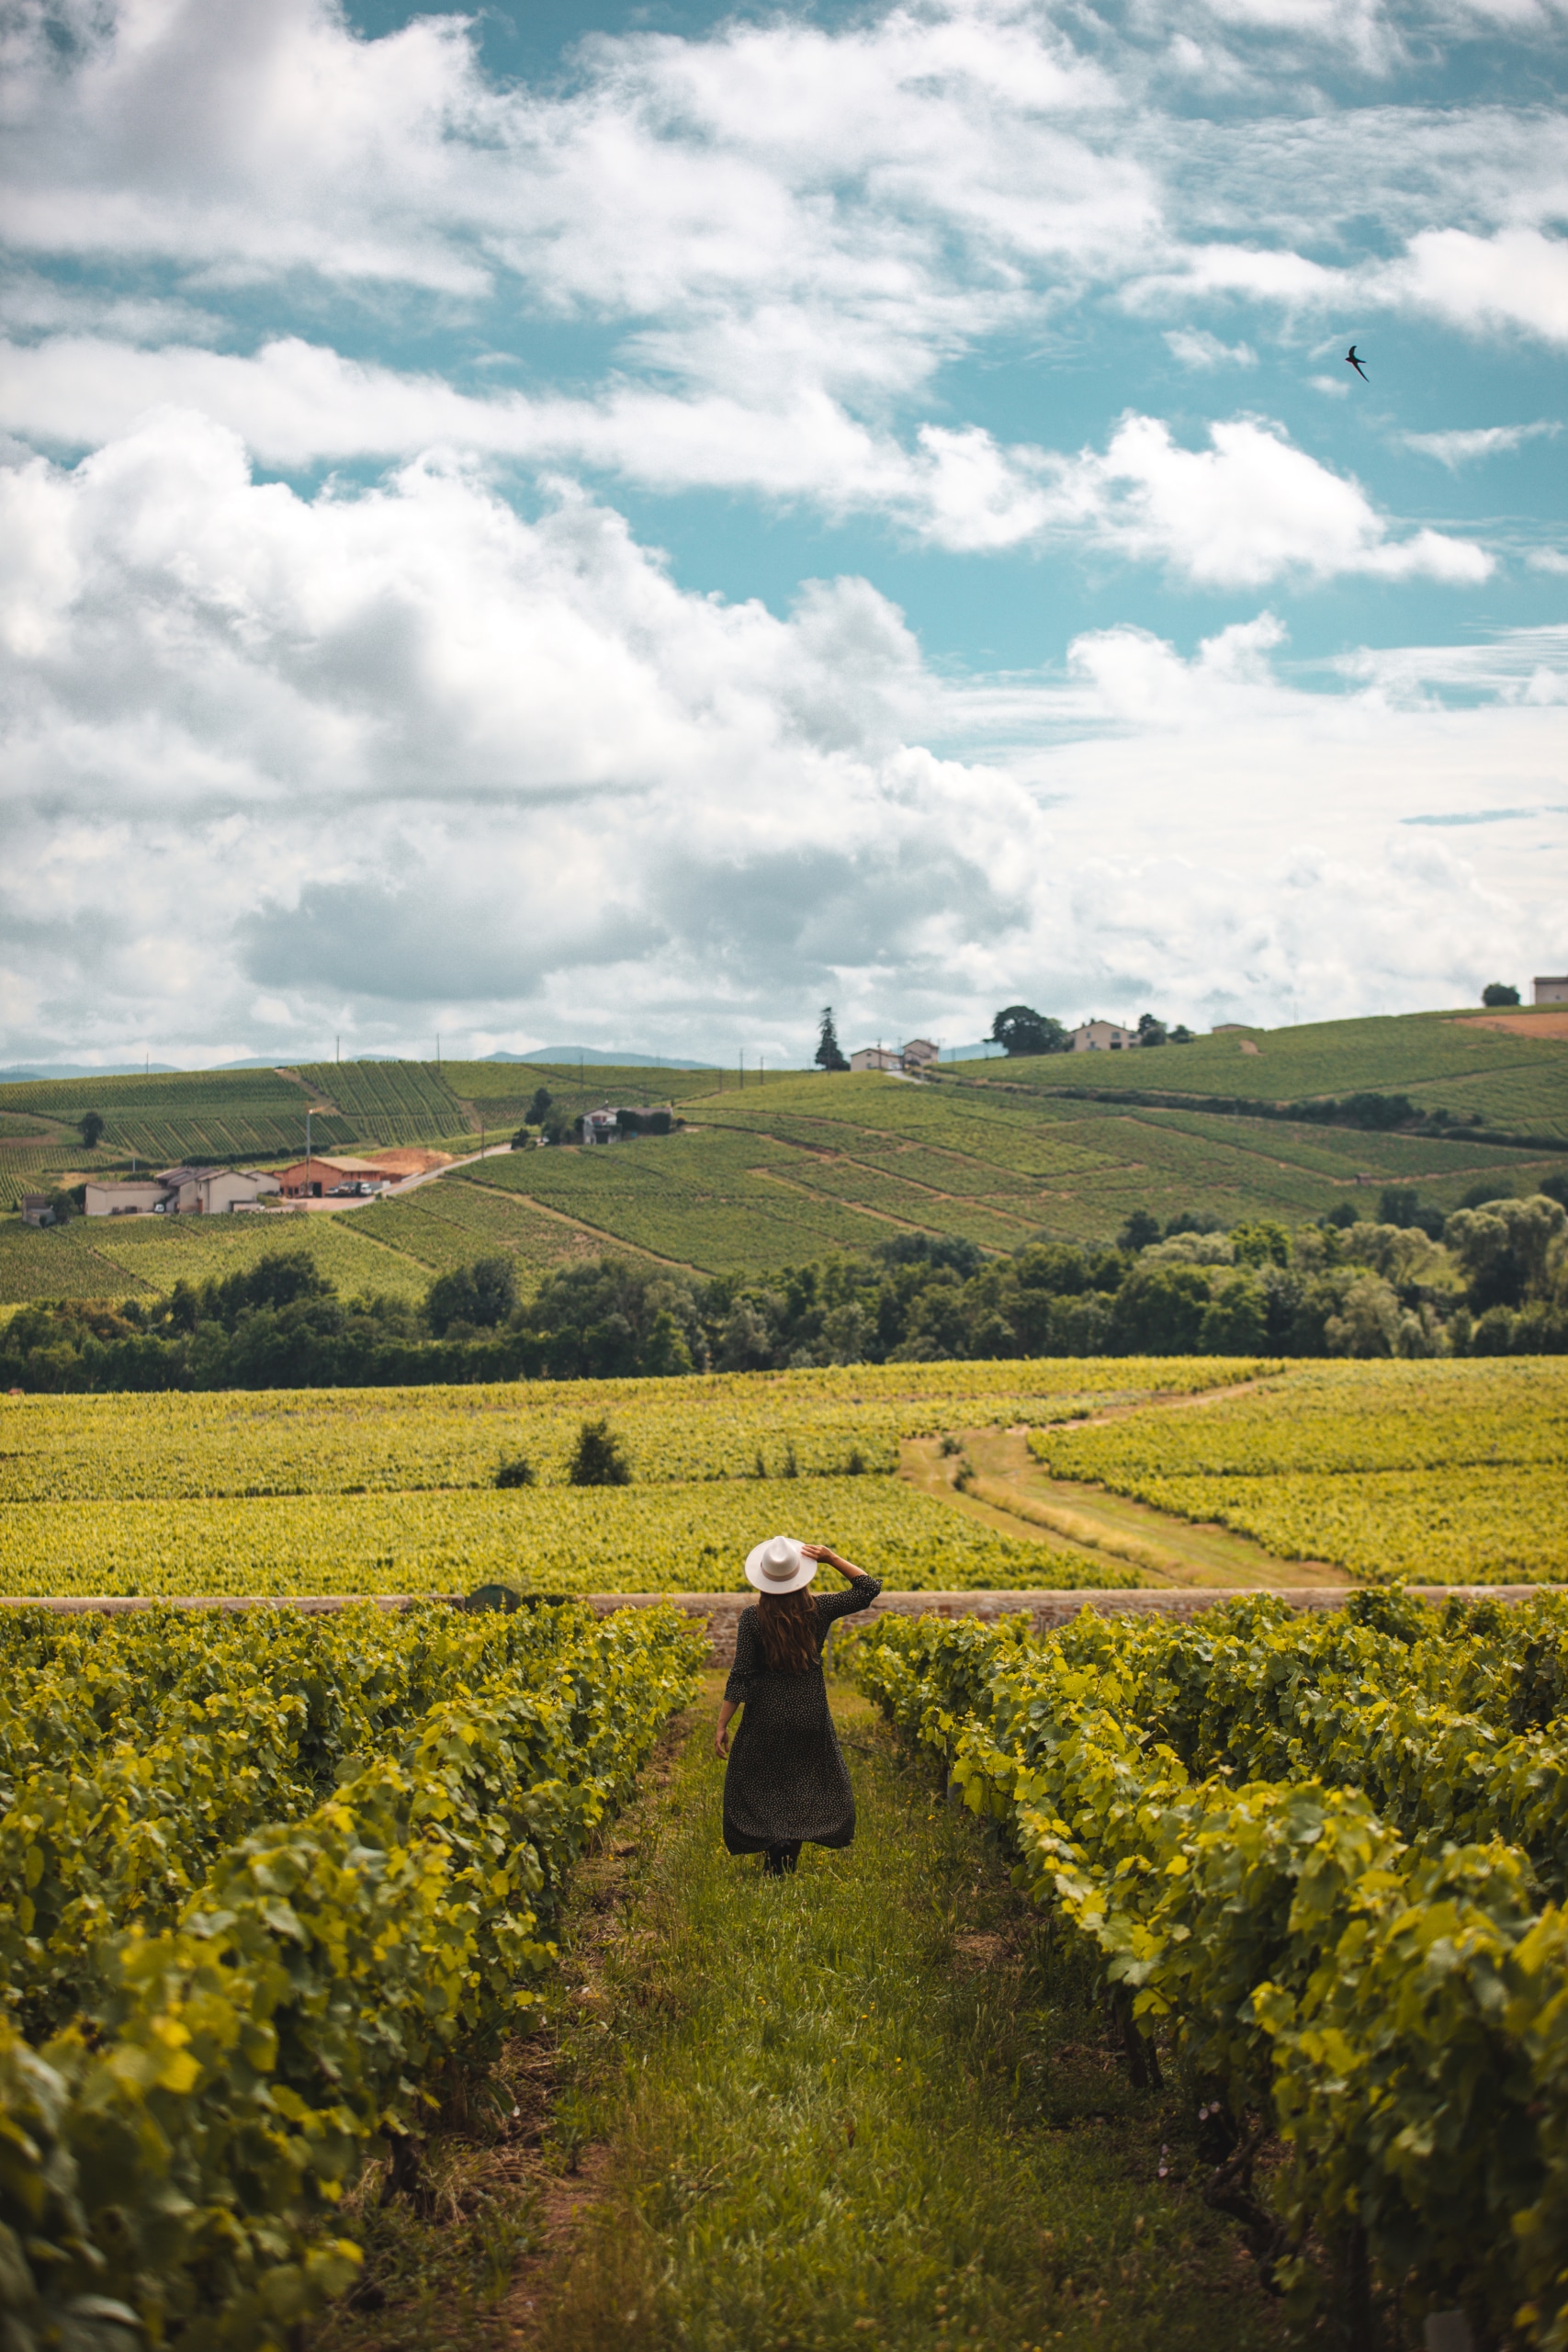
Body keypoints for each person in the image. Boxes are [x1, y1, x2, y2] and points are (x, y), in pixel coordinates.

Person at [715, 1535, 883, 1875]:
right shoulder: (818, 1610)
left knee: (764, 1782)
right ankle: (788, 1858)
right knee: (804, 1782)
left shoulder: (751, 1618)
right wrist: (831, 1558)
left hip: (765, 1713)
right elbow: (868, 1589)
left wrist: (722, 1724)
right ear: (800, 1575)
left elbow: (740, 1677)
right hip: (809, 1710)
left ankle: (774, 1847)